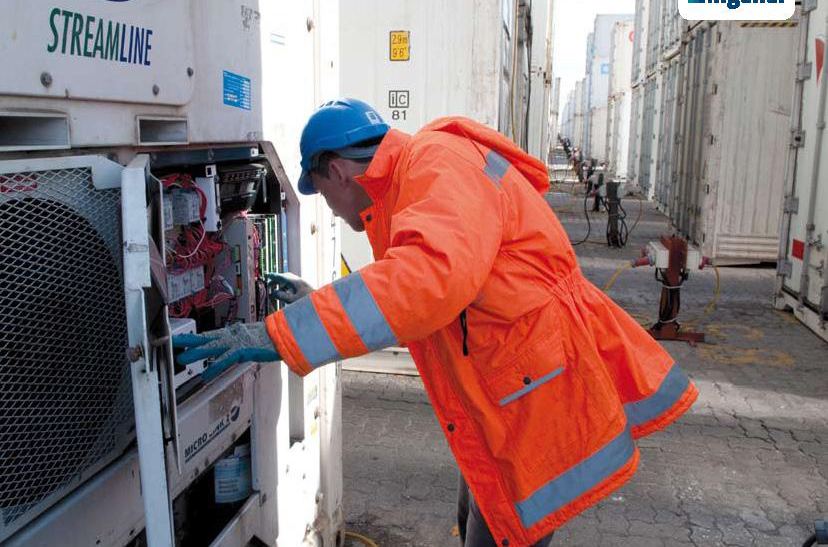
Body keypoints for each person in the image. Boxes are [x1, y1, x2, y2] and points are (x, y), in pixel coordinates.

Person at [174, 99, 697, 547]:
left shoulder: (435, 164)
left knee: (502, 527)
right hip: (518, 388)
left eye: (323, 193)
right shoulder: (412, 183)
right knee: (480, 517)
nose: (331, 211)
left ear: (337, 170)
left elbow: (423, 285)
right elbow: (416, 295)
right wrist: (315, 304)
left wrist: (280, 332)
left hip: (532, 396)